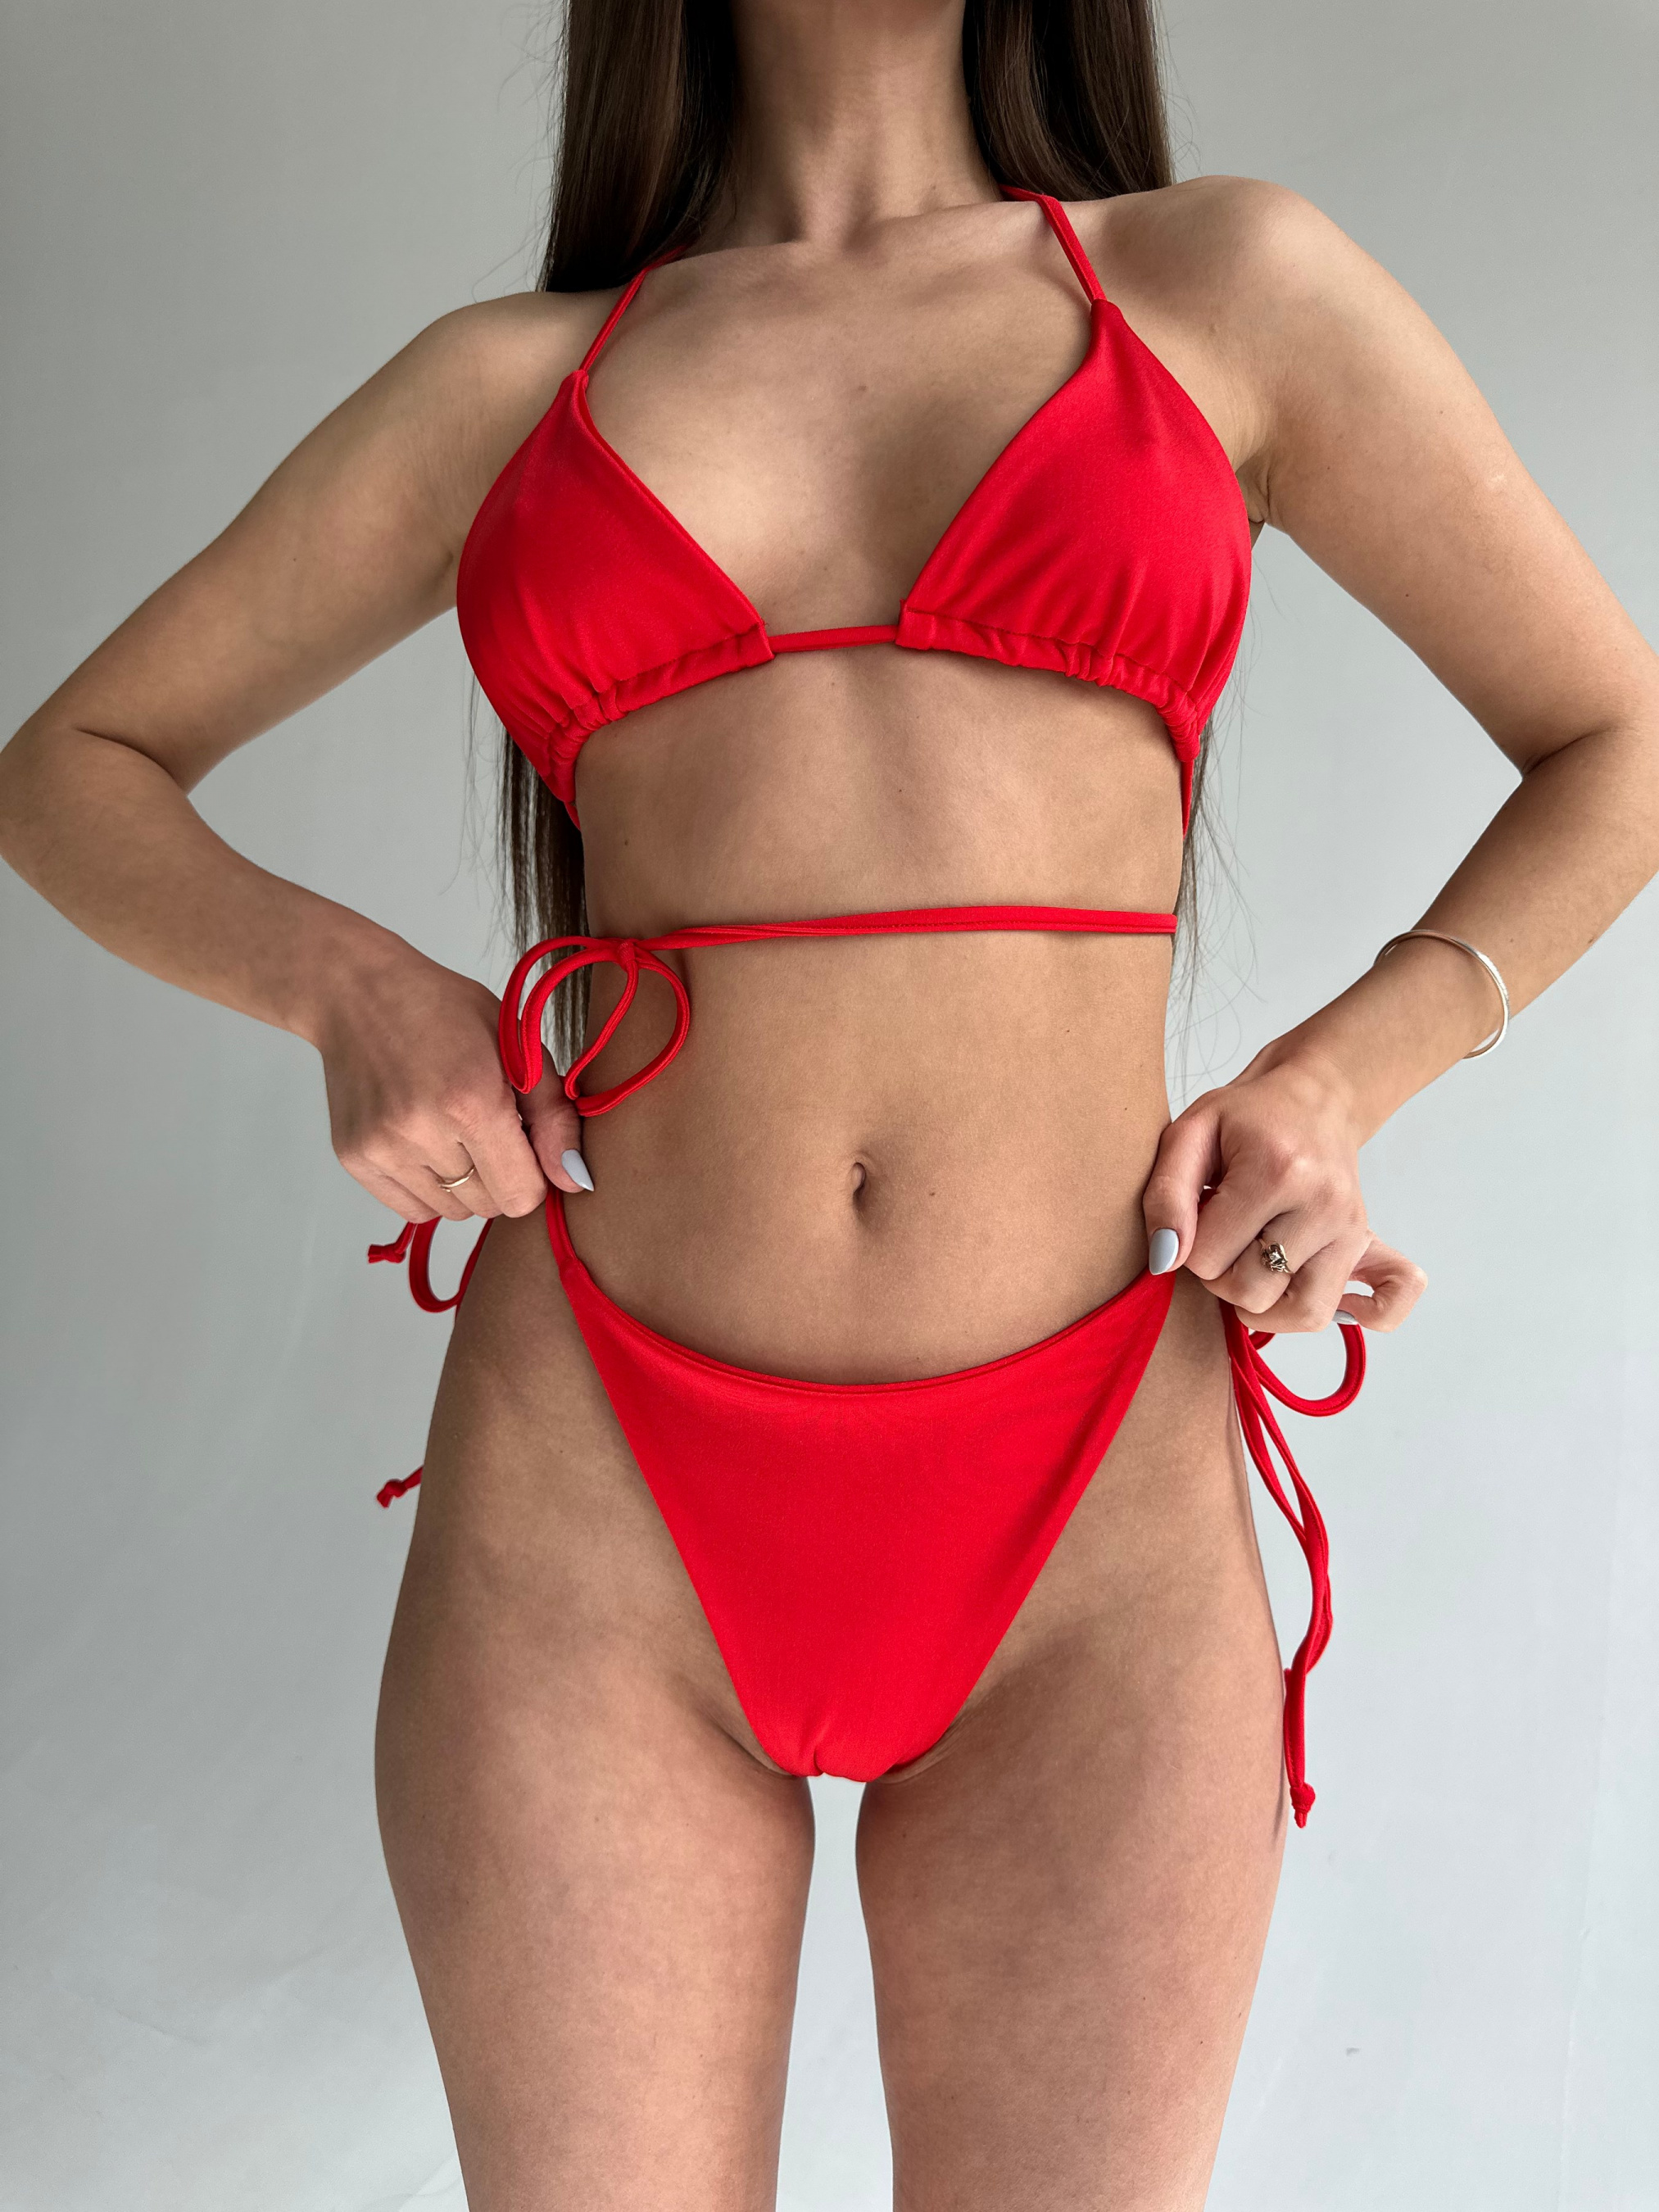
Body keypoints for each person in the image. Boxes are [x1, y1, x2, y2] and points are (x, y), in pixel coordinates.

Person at [3, 0, 1656, 2203]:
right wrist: (351, 987)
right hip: (594, 1508)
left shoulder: (1221, 287)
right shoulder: (510, 387)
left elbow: (1615, 740)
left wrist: (1341, 1074)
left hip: (1093, 1511)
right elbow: (71, 768)